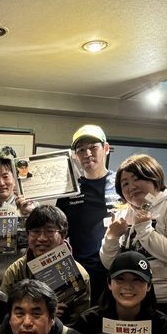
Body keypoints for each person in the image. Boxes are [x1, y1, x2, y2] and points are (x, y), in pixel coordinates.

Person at [100, 154, 167, 334]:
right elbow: (110, 265)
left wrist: (145, 230)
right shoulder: (123, 214)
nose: (131, 187)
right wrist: (112, 237)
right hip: (136, 304)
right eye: (125, 183)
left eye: (137, 179)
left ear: (154, 177)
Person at [56, 124, 119, 303]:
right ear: (75, 156)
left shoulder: (121, 184)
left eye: (93, 147)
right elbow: (58, 233)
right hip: (79, 272)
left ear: (106, 149)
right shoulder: (69, 192)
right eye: (81, 150)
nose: (87, 153)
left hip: (115, 272)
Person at [1, 205, 91, 326]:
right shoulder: (15, 271)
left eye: (49, 231)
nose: (42, 238)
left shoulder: (79, 275)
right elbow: (4, 313)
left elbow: (77, 323)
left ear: (63, 235)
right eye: (35, 231)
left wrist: (54, 321)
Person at [0, 157, 33, 288]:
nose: (1, 183)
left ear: (14, 180)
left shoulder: (30, 207)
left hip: (22, 280)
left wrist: (29, 215)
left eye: (5, 176)